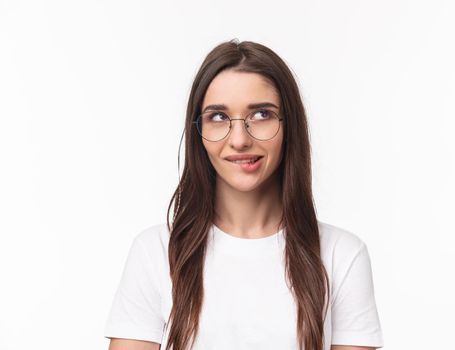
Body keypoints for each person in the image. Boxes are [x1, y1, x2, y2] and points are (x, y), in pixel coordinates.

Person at [103, 38, 384, 350]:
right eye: (219, 117)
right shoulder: (155, 252)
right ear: (199, 130)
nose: (239, 140)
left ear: (289, 125)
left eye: (261, 114)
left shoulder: (341, 255)